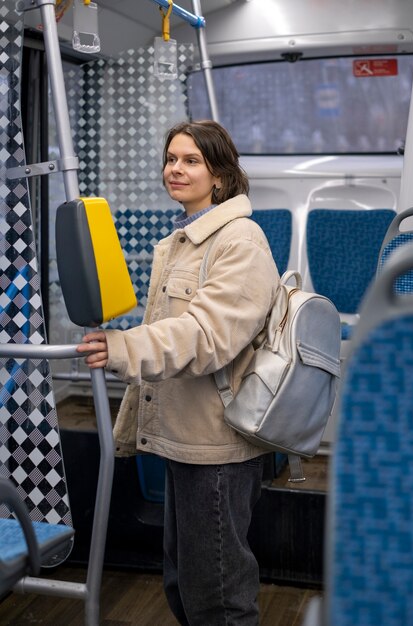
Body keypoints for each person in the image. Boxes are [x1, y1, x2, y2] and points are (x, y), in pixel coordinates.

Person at [77, 120, 279, 625]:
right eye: (171, 158)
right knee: (184, 585)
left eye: (191, 160)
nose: (175, 169)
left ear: (220, 175)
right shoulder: (179, 242)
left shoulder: (240, 240)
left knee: (217, 598)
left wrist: (123, 348)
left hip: (217, 446)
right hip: (181, 435)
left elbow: (205, 337)